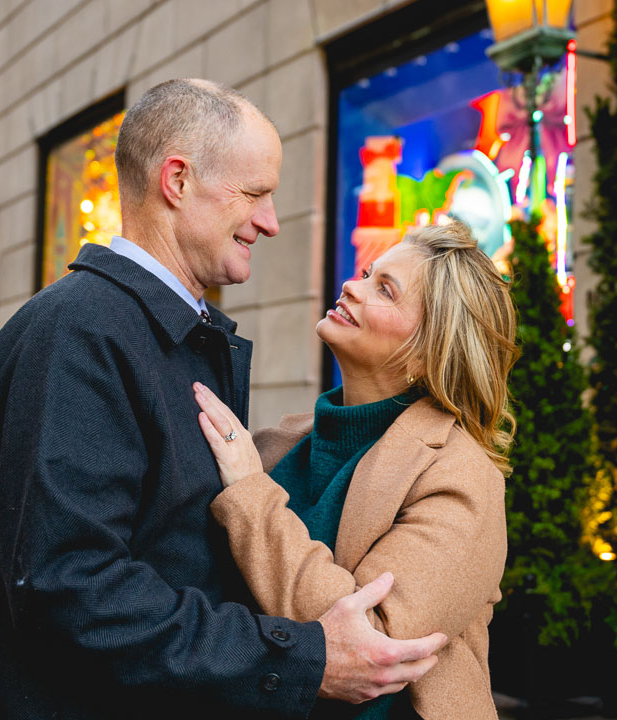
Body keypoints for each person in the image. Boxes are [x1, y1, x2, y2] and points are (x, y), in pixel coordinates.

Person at [0, 79, 445, 719]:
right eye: (254, 194)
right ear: (177, 181)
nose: (270, 222)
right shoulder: (79, 332)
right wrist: (301, 658)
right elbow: (74, 590)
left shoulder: (164, 329)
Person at [193, 220, 519, 719]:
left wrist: (251, 495)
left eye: (384, 289)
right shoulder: (282, 447)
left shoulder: (460, 474)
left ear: (428, 350)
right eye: (368, 273)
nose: (351, 285)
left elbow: (370, 639)